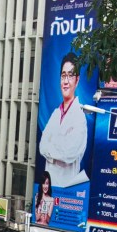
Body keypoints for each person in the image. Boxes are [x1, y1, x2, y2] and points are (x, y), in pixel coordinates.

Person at [38, 52, 88, 188]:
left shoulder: (79, 117)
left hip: (68, 193)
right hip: (48, 188)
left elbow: (69, 154)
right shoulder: (55, 113)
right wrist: (59, 147)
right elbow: (42, 146)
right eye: (63, 75)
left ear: (77, 80)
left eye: (70, 76)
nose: (65, 81)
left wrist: (51, 147)